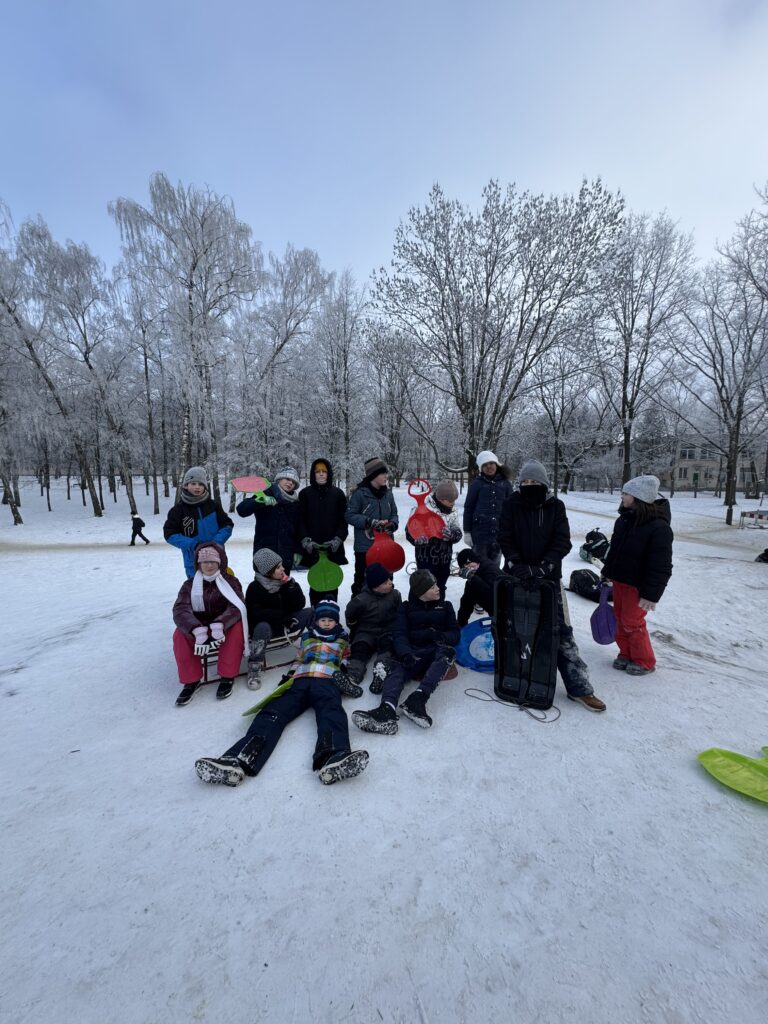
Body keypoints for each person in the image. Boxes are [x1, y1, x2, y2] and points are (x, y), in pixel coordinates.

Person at [194, 600, 369, 787]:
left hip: (328, 680)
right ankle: (238, 758)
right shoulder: (307, 638)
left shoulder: (343, 639)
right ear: (316, 621)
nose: (326, 623)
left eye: (330, 620)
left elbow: (349, 661)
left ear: (336, 622)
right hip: (301, 679)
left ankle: (334, 756)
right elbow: (299, 658)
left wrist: (348, 681)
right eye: (322, 619)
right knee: (273, 712)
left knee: (331, 712)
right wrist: (289, 676)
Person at [495, 458, 607, 712]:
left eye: (535, 482)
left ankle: (579, 688)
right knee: (514, 627)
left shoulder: (556, 506)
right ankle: (518, 674)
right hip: (517, 576)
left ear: (544, 484)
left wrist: (546, 565)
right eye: (525, 482)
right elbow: (504, 535)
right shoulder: (512, 504)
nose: (529, 485)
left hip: (549, 579)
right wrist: (515, 562)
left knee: (560, 631)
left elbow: (562, 540)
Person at [352, 569, 459, 734]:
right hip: (414, 651)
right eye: (432, 587)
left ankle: (418, 699)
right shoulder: (406, 608)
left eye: (436, 584)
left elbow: (455, 634)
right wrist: (405, 654)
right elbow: (400, 634)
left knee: (448, 653)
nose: (438, 588)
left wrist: (438, 635)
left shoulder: (445, 606)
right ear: (421, 592)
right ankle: (386, 710)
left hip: (435, 651)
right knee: (397, 668)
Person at [601, 475, 673, 676]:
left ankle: (644, 660)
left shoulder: (659, 528)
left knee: (633, 622)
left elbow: (661, 566)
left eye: (626, 494)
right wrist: (607, 573)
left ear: (638, 497)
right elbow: (614, 551)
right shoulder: (624, 520)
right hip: (620, 581)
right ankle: (626, 654)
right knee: (620, 618)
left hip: (638, 586)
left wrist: (651, 595)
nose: (621, 497)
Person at [172, 543, 247, 706]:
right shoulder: (189, 585)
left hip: (223, 626)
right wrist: (195, 628)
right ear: (198, 564)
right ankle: (191, 681)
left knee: (237, 629)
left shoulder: (231, 582)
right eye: (205, 562)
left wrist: (220, 624)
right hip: (198, 627)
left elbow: (237, 606)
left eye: (213, 561)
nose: (209, 565)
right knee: (179, 635)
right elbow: (180, 609)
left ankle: (227, 676)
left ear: (220, 562)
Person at [244, 548, 314, 690]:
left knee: (312, 612)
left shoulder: (284, 583)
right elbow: (256, 614)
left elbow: (299, 605)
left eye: (281, 565)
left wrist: (292, 588)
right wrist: (282, 617)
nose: (283, 569)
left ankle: (319, 646)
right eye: (278, 567)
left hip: (288, 624)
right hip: (267, 629)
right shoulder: (254, 588)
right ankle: (255, 665)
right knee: (262, 627)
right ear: (267, 571)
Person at [163, 467, 233, 578]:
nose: (197, 487)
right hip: (193, 561)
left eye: (200, 484)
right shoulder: (178, 510)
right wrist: (194, 545)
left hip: (217, 558)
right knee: (197, 592)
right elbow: (170, 534)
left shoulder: (213, 505)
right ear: (186, 485)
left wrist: (215, 543)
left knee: (220, 591)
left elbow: (227, 525)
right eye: (193, 483)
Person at [343, 562, 402, 693]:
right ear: (375, 587)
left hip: (387, 630)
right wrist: (354, 628)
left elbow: (399, 613)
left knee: (387, 649)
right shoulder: (360, 600)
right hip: (366, 631)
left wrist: (397, 629)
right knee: (359, 649)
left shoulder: (395, 595)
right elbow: (350, 615)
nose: (390, 584)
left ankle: (381, 673)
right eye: (386, 582)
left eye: (389, 580)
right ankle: (352, 676)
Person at [296, 458, 349, 605]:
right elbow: (300, 520)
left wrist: (338, 539)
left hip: (332, 548)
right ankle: (316, 615)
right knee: (316, 583)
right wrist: (306, 540)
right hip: (313, 549)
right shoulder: (305, 494)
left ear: (329, 474)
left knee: (332, 583)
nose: (321, 474)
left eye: (324, 472)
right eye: (317, 471)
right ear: (313, 474)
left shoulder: (338, 494)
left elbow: (343, 521)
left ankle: (331, 615)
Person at [345, 456, 399, 595]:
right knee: (363, 582)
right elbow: (350, 516)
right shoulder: (359, 494)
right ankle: (359, 614)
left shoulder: (388, 494)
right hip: (365, 549)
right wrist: (370, 522)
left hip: (386, 547)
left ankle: (386, 612)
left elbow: (394, 514)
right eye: (383, 473)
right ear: (373, 475)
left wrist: (392, 524)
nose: (386, 476)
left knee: (387, 580)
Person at [405, 479, 463, 599]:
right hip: (425, 560)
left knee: (440, 587)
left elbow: (458, 532)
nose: (453, 503)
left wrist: (452, 535)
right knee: (422, 587)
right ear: (441, 499)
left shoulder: (453, 512)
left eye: (454, 500)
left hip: (444, 560)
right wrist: (416, 539)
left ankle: (438, 609)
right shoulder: (421, 510)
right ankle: (416, 610)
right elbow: (410, 531)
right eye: (450, 500)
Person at [236, 467, 301, 572]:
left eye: (293, 482)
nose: (290, 483)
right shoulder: (265, 493)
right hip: (264, 554)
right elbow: (241, 510)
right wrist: (259, 501)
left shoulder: (295, 504)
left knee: (283, 587)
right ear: (279, 479)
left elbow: (298, 530)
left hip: (285, 556)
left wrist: (298, 550)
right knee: (262, 586)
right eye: (287, 479)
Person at [462, 450, 513, 565]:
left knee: (494, 569)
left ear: (496, 464)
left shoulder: (505, 484)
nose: (488, 467)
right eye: (485, 465)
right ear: (481, 468)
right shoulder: (476, 484)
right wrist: (467, 532)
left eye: (491, 463)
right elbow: (469, 508)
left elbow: (512, 509)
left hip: (498, 535)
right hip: (479, 535)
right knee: (478, 568)